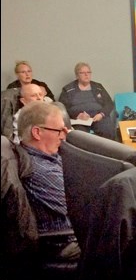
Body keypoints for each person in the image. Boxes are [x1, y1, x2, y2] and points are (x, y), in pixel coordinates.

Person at [17, 101, 80, 261]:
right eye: (59, 130)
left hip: (74, 230)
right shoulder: (40, 170)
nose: (64, 135)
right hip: (66, 242)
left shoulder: (45, 155)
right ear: (37, 133)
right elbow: (82, 208)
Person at [59, 62, 116, 140]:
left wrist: (101, 114)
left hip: (98, 117)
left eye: (88, 72)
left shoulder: (98, 87)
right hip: (79, 120)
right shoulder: (68, 89)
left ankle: (107, 152)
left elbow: (109, 103)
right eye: (82, 73)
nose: (86, 75)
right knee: (80, 137)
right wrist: (77, 115)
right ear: (77, 75)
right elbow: (62, 108)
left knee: (108, 130)